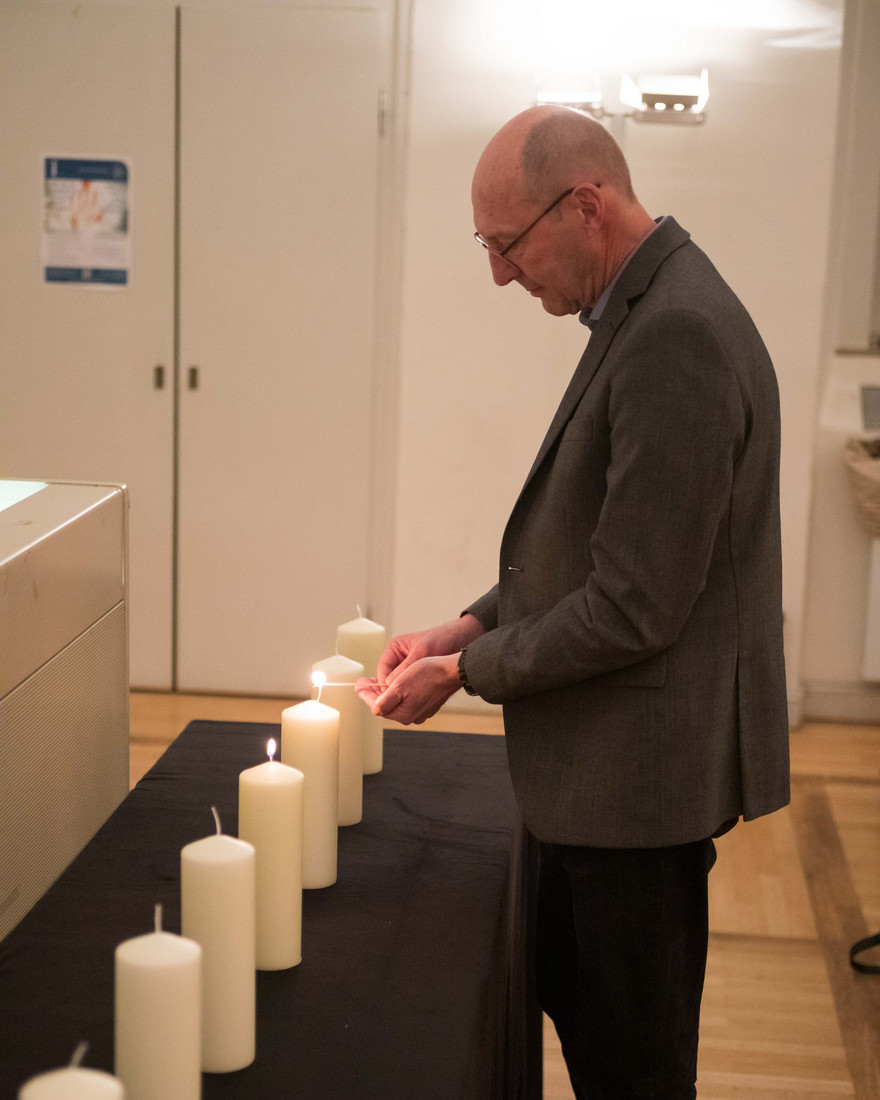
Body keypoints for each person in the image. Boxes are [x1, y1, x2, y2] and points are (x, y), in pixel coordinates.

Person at [355, 105, 790, 1099]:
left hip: (634, 795)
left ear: (583, 206)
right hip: (601, 782)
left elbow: (632, 605)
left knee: (629, 1071)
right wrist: (468, 623)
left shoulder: (675, 330)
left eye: (507, 245)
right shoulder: (640, 304)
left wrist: (464, 671)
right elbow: (586, 544)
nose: (501, 274)